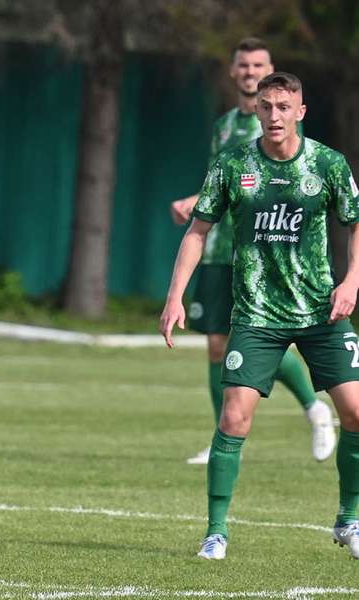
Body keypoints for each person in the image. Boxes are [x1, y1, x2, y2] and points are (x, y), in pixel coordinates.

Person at [160, 72, 359, 561]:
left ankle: (349, 519)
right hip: (255, 313)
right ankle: (215, 531)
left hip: (320, 311)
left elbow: (356, 223)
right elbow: (197, 231)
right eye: (266, 106)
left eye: (283, 107)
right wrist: (174, 296)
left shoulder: (327, 164)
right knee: (234, 416)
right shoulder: (233, 164)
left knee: (356, 412)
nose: (273, 115)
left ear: (300, 111)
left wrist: (352, 281)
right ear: (258, 110)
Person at [168, 38, 335, 465]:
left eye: (258, 64)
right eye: (243, 65)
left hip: (259, 254)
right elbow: (217, 185)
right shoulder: (224, 125)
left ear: (270, 69)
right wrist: (194, 202)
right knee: (216, 346)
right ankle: (220, 434)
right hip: (217, 250)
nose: (249, 71)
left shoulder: (277, 124)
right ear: (233, 71)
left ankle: (314, 407)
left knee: (259, 340)